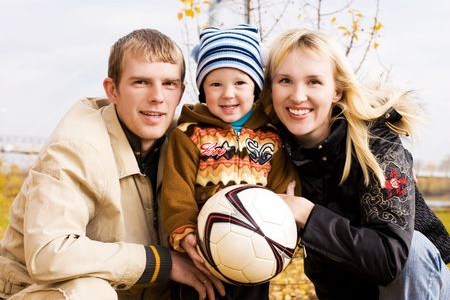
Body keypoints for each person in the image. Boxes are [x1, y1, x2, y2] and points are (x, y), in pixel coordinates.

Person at [0, 28, 222, 300]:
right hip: (39, 293)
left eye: (169, 84)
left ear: (181, 92)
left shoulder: (187, 142)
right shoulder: (77, 145)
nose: (157, 96)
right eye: (141, 82)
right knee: (90, 293)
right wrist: (164, 263)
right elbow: (50, 253)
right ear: (112, 90)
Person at [260, 28, 450, 299]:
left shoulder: (377, 143)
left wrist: (307, 214)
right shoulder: (272, 150)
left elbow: (390, 258)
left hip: (420, 287)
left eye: (314, 81)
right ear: (271, 88)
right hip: (343, 292)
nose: (298, 95)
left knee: (413, 249)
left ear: (336, 90)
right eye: (285, 80)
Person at [160, 24, 300, 300]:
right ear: (202, 90)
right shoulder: (189, 135)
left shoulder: (271, 138)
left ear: (256, 88)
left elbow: (282, 183)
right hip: (203, 255)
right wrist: (185, 233)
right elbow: (177, 192)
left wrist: (287, 212)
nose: (228, 93)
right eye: (215, 84)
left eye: (239, 83)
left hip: (257, 251)